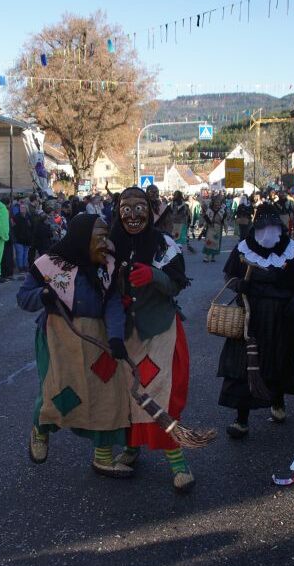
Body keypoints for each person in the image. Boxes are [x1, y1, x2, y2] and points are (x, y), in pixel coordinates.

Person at [17, 213, 133, 477]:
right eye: (99, 237)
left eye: (106, 236)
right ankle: (41, 429)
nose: (105, 243)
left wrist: (116, 337)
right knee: (58, 389)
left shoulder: (107, 267)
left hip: (98, 338)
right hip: (58, 336)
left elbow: (113, 302)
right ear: (82, 239)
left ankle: (103, 456)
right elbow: (23, 298)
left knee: (107, 393)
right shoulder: (50, 264)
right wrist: (43, 295)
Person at [110, 187, 194, 492]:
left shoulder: (163, 245)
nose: (133, 215)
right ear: (118, 212)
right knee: (125, 395)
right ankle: (131, 446)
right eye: (126, 208)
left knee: (160, 394)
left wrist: (154, 276)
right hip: (124, 332)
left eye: (139, 208)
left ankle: (178, 461)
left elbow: (176, 284)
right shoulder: (109, 245)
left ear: (149, 209)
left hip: (159, 331)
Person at [218, 203, 294, 438]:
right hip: (251, 316)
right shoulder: (244, 248)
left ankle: (278, 402)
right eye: (263, 227)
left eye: (272, 227)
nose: (268, 232)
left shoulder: (292, 251)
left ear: (280, 227)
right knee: (245, 365)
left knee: (279, 360)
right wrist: (239, 285)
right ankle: (241, 419)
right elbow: (229, 276)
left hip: (282, 318)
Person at [202, 195, 227, 263]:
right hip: (210, 227)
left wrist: (226, 228)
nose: (217, 204)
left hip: (218, 228)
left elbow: (224, 220)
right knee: (209, 241)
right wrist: (204, 226)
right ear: (213, 202)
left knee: (216, 242)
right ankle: (206, 256)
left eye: (219, 202)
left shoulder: (222, 211)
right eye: (216, 202)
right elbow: (206, 219)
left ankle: (213, 256)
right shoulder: (209, 210)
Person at [13, 202, 33, 272]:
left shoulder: (29, 217)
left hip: (27, 239)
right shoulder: (16, 217)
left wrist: (31, 237)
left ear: (26, 209)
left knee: (26, 254)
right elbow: (14, 228)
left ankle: (25, 266)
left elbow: (31, 227)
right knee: (20, 254)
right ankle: (20, 267)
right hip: (19, 239)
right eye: (21, 207)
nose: (22, 209)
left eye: (23, 207)